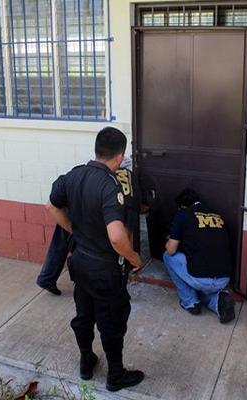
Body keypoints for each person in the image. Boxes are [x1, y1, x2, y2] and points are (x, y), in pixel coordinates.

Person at [46, 127, 145, 392]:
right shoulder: (110, 186)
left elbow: (51, 205)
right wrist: (135, 258)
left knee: (84, 314)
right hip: (104, 269)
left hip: (80, 262)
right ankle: (115, 376)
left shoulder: (75, 174)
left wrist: (74, 230)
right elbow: (116, 237)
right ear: (120, 156)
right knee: (111, 321)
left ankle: (86, 361)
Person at [37, 156, 142, 296]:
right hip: (97, 214)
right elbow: (123, 236)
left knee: (63, 237)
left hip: (75, 206)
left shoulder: (89, 170)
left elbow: (52, 204)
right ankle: (120, 288)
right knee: (108, 248)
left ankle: (47, 277)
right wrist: (132, 258)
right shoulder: (128, 189)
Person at [162, 188, 236, 323]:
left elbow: (171, 250)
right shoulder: (217, 216)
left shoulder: (183, 214)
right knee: (203, 288)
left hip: (200, 278)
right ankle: (219, 301)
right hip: (223, 279)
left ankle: (190, 302)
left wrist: (170, 239)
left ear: (182, 206)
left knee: (167, 256)